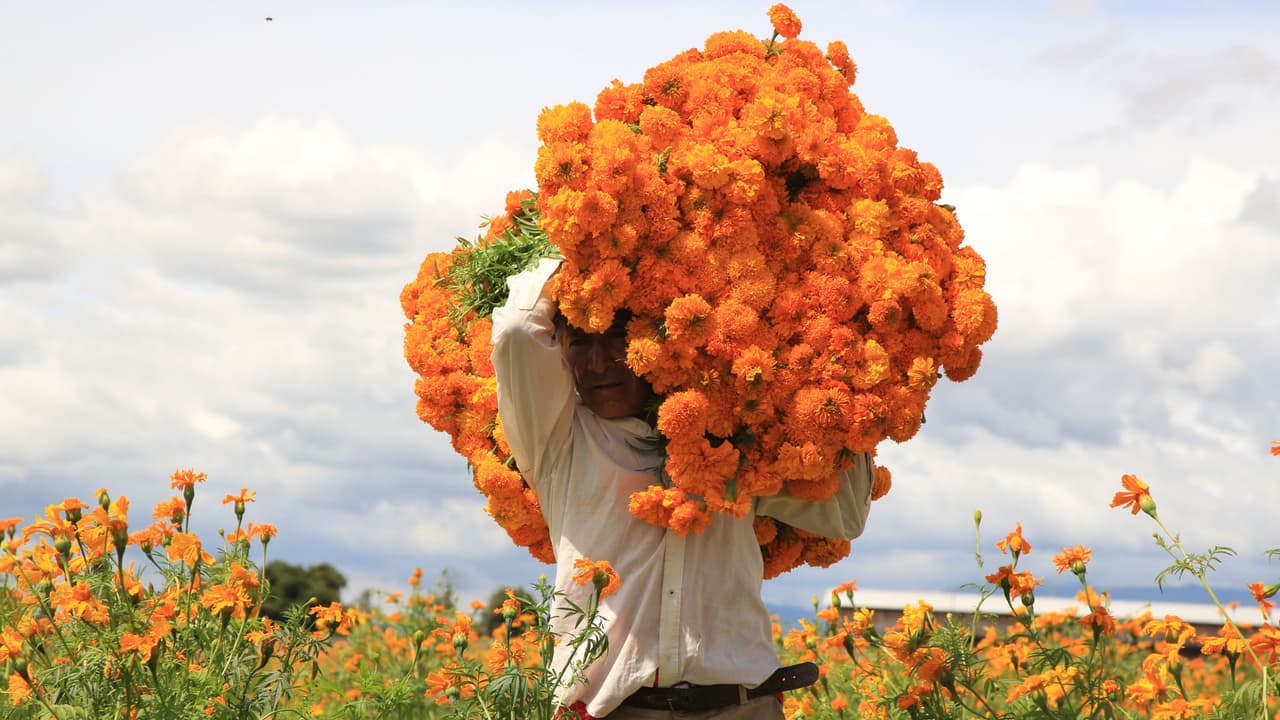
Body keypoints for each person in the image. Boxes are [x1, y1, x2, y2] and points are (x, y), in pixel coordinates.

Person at [492, 257, 873, 719]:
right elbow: (517, 331)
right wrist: (576, 256)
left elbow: (845, 515)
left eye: (619, 337)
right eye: (581, 342)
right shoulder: (558, 441)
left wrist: (843, 393)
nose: (598, 363)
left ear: (663, 341)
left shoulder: (733, 441)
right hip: (612, 709)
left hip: (740, 707)